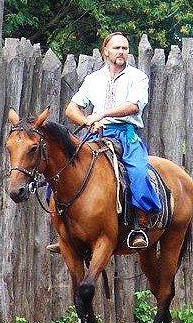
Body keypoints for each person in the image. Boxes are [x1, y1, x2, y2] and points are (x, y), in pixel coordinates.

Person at [64, 32, 161, 250]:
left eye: (125, 48)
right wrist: (88, 121)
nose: (121, 52)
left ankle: (139, 224)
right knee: (62, 170)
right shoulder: (93, 79)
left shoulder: (138, 77)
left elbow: (134, 106)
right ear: (105, 52)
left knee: (137, 172)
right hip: (94, 135)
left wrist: (102, 114)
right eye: (116, 48)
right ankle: (63, 227)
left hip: (125, 135)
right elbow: (71, 109)